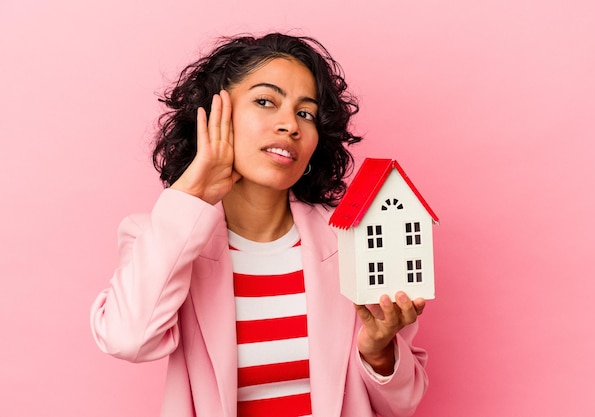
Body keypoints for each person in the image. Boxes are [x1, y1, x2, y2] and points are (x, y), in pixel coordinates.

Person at [90, 32, 428, 417]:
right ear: (216, 115)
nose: (290, 125)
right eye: (266, 101)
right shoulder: (162, 238)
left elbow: (404, 403)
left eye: (306, 113)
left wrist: (379, 352)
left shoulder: (353, 241)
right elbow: (127, 340)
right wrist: (190, 193)